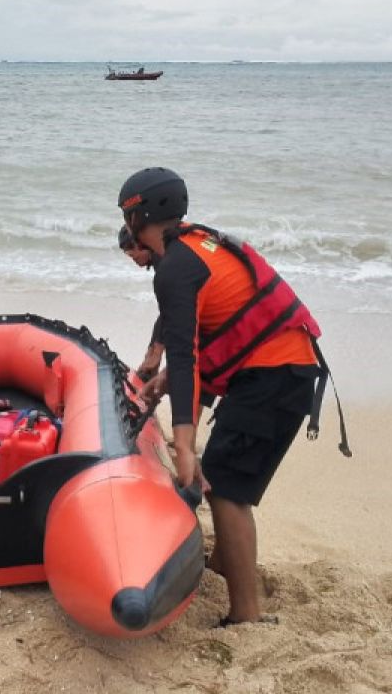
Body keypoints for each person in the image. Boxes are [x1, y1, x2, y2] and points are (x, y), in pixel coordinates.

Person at [117, 166, 347, 627]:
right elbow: (197, 343)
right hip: (277, 371)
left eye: (129, 216)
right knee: (224, 471)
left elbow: (186, 358)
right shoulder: (194, 247)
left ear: (141, 213)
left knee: (225, 487)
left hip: (275, 376)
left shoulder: (177, 266)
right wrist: (163, 380)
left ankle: (247, 615)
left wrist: (184, 445)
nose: (129, 229)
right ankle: (225, 564)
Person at [118, 226, 164, 382]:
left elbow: (169, 313)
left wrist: (156, 352)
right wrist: (152, 349)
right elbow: (166, 313)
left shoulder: (165, 265)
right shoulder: (163, 257)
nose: (133, 258)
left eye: (132, 252)